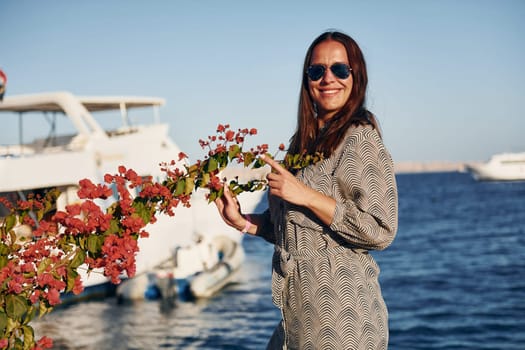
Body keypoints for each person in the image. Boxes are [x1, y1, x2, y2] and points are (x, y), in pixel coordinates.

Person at [215, 30, 398, 350]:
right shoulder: (302, 145)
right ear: (307, 79)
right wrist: (243, 221)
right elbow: (292, 230)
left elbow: (381, 230)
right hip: (298, 316)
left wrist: (306, 195)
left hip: (344, 320)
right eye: (317, 70)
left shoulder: (359, 138)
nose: (329, 78)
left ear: (357, 77)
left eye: (340, 69)